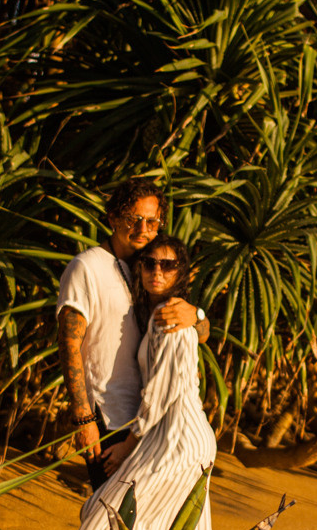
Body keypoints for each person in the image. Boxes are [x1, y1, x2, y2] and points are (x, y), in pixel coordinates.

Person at [60, 233, 222, 530]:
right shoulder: (157, 315)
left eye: (168, 266)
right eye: (150, 263)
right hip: (182, 437)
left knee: (106, 511)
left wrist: (129, 446)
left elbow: (161, 394)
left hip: (174, 438)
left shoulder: (171, 318)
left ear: (182, 274)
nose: (156, 271)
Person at [56, 178, 206, 491]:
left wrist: (196, 314)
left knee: (136, 523)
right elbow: (69, 344)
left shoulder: (148, 268)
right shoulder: (87, 267)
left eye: (152, 222)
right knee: (111, 516)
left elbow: (196, 335)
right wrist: (84, 420)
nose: (142, 229)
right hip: (106, 418)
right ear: (112, 218)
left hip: (145, 422)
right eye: (132, 219)